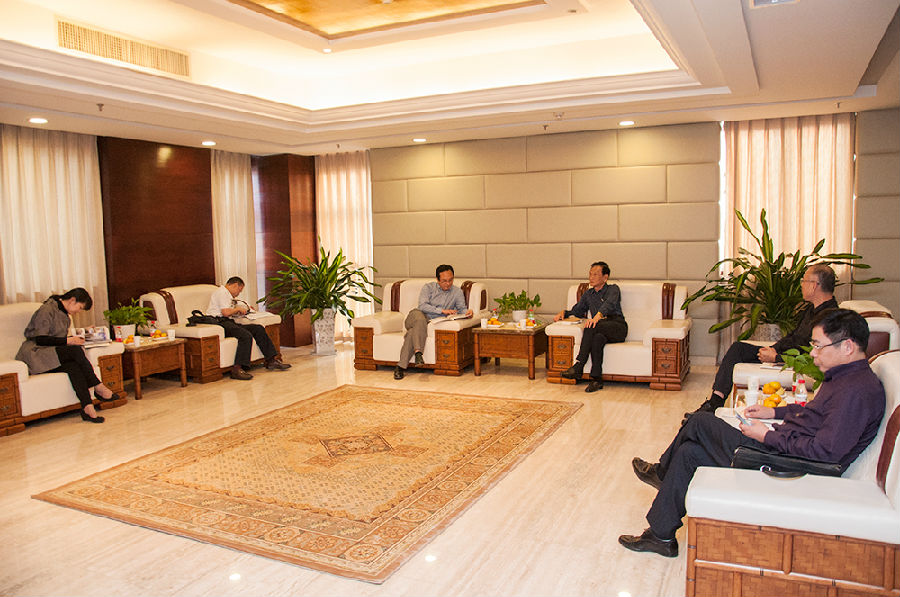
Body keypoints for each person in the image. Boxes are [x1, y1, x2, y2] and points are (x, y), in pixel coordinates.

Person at [619, 308, 885, 558]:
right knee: (690, 452)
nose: (813, 354)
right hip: (785, 452)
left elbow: (825, 453)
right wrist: (773, 412)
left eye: (818, 346)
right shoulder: (844, 378)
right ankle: (661, 536)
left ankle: (661, 473)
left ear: (847, 347)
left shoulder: (857, 392)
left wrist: (766, 436)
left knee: (699, 422)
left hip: (790, 469)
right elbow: (813, 415)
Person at [689, 264, 839, 416]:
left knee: (740, 350)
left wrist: (777, 358)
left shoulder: (830, 317)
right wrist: (773, 348)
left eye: (804, 281)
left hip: (792, 361)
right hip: (782, 353)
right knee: (738, 348)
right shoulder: (811, 309)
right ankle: (715, 402)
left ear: (814, 285)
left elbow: (812, 355)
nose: (801, 285)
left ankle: (712, 407)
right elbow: (793, 336)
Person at [15, 288, 124, 424]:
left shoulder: (64, 314)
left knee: (73, 366)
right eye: (80, 307)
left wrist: (83, 333)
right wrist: (69, 341)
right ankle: (97, 385)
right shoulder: (47, 310)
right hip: (35, 354)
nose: (79, 312)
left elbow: (58, 339)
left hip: (50, 353)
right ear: (72, 300)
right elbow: (41, 339)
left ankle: (87, 408)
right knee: (75, 350)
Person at [553, 261, 627, 393]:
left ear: (605, 277)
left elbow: (609, 304)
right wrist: (564, 313)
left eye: (595, 274)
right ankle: (596, 379)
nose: (591, 277)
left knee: (590, 326)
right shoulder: (588, 294)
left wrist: (597, 317)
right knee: (597, 339)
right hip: (599, 328)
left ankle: (579, 366)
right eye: (590, 274)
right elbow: (577, 310)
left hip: (617, 326)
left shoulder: (613, 289)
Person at [394, 264, 472, 380]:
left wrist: (468, 312)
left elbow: (462, 308)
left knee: (412, 333)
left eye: (450, 280)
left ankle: (400, 367)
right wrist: (442, 311)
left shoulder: (457, 292)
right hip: (416, 315)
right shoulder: (428, 288)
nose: (448, 283)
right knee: (420, 320)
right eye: (444, 281)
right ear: (437, 280)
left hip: (430, 322)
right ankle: (418, 352)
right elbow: (422, 306)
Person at [207, 276, 290, 380]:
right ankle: (237, 369)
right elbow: (225, 312)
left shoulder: (227, 295)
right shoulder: (222, 292)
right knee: (245, 336)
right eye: (239, 290)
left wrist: (242, 311)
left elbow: (229, 312)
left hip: (228, 321)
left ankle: (271, 360)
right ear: (235, 285)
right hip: (219, 323)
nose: (238, 293)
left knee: (258, 328)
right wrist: (238, 309)